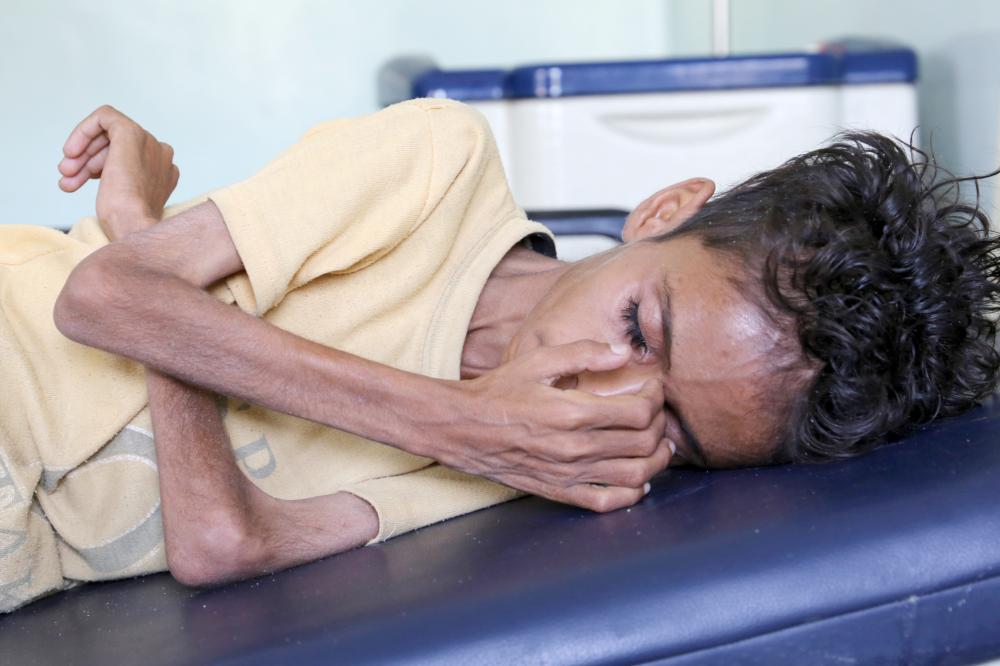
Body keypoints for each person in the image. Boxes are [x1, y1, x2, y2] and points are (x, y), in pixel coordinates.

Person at [1, 99, 997, 612]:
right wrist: (461, 422)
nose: (600, 391)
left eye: (673, 428)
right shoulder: (439, 165)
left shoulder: (547, 462)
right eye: (637, 327)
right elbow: (104, 298)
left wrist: (146, 246)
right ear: (664, 211)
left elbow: (222, 545)